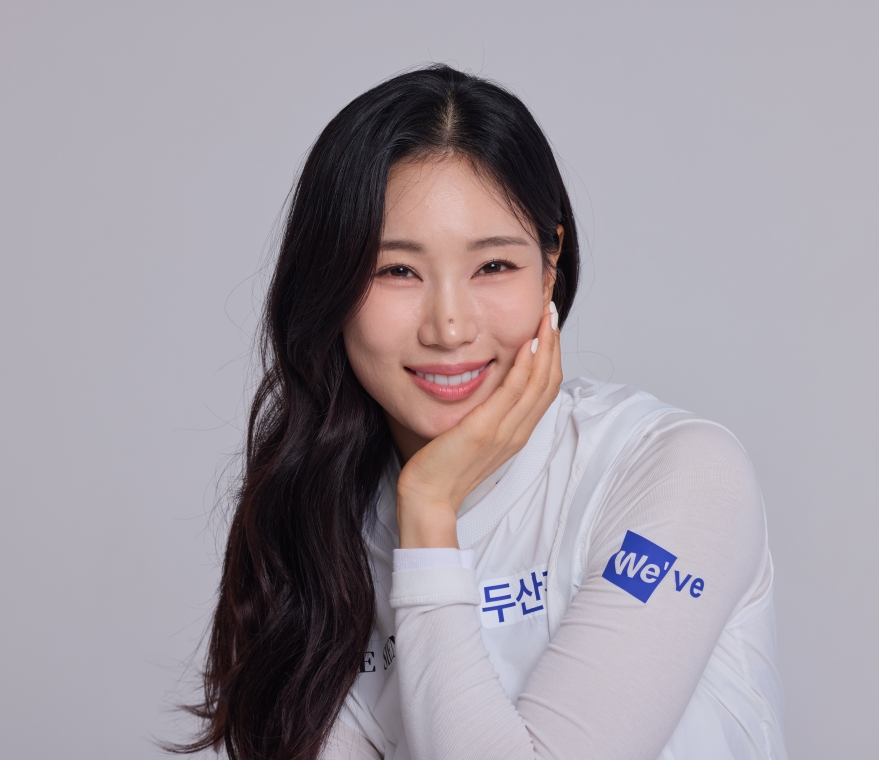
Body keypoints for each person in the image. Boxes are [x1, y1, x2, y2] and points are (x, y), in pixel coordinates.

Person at [174, 65, 787, 760]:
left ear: (551, 264)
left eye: (493, 266)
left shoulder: (678, 472)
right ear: (329, 284)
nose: (449, 326)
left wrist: (428, 509)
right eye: (395, 270)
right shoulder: (314, 522)